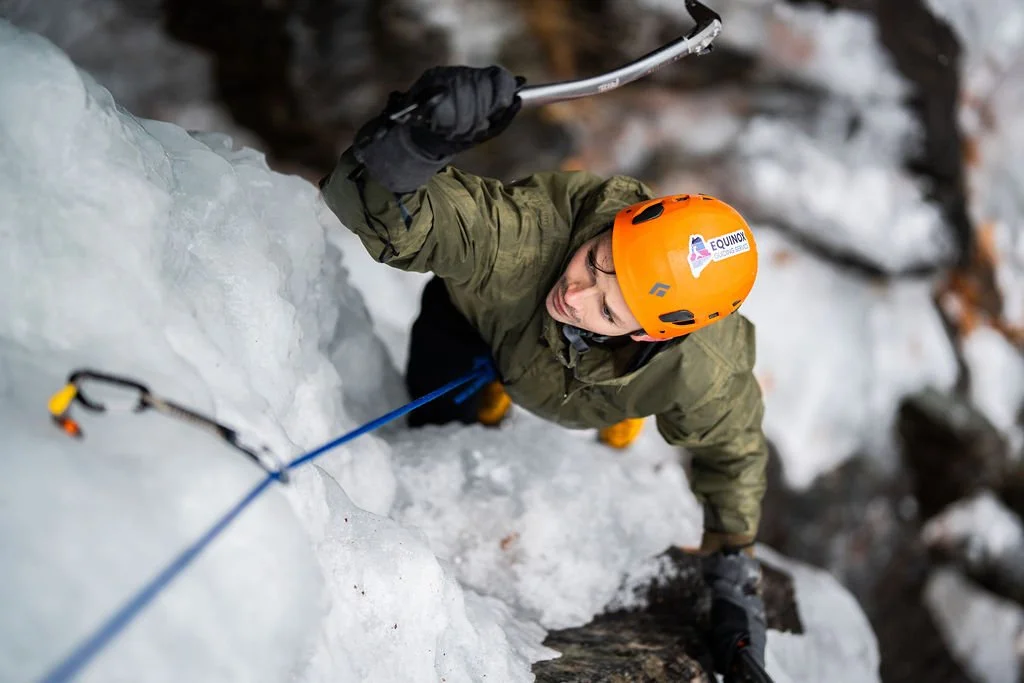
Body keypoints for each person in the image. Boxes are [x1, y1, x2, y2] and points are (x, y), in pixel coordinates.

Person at [320, 65, 769, 677]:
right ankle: (492, 391)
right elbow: (391, 210)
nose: (575, 295)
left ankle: (612, 399)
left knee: (623, 395)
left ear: (648, 334)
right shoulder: (532, 240)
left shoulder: (703, 370)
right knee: (436, 417)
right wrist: (413, 145)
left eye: (608, 309)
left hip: (599, 387)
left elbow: (733, 452)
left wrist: (732, 575)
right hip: (478, 333)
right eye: (593, 260)